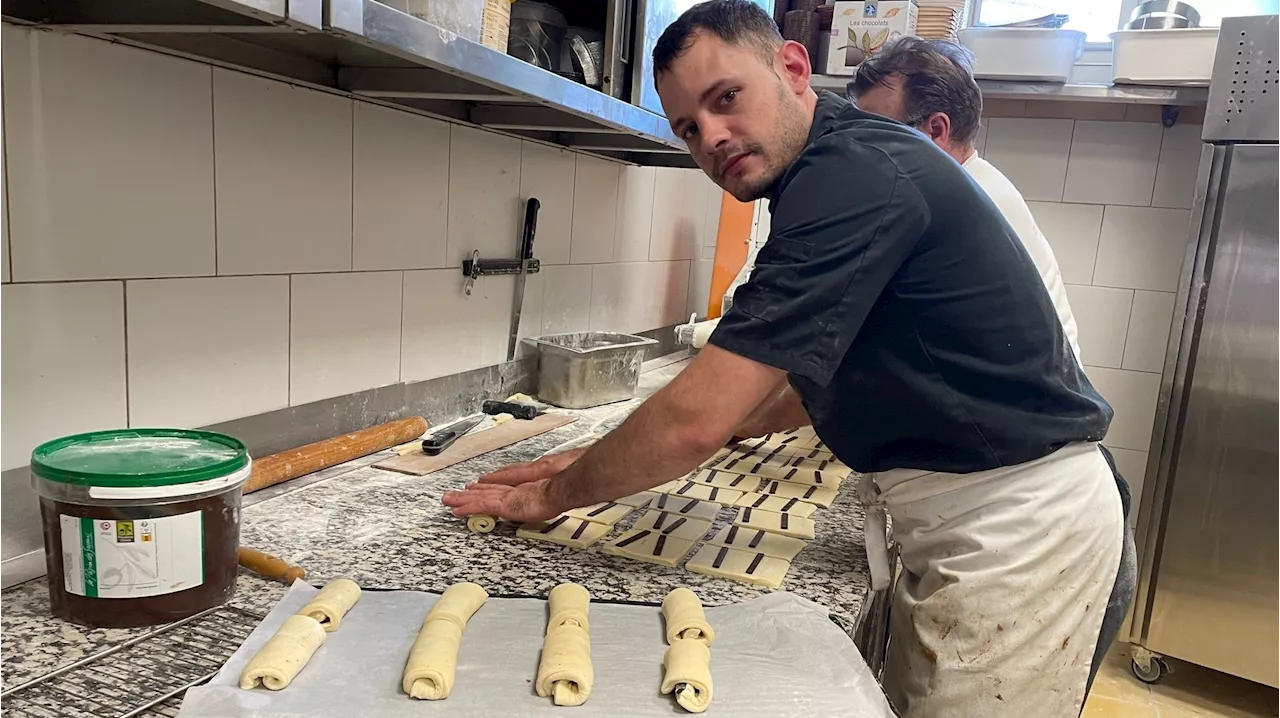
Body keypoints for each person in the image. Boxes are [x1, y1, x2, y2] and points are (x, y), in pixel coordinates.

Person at [443, 2, 1126, 715]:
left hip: (1014, 529)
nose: (711, 136)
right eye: (687, 128)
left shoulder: (853, 176)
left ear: (793, 69)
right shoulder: (839, 167)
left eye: (725, 98)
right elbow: (804, 383)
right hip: (975, 512)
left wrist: (548, 497)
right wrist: (604, 458)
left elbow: (693, 423)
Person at [848, 36, 1137, 701]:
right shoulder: (951, 188)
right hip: (1027, 504)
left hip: (1032, 529)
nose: (853, 160)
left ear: (936, 130)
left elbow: (807, 360)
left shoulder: (950, 203)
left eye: (869, 137)